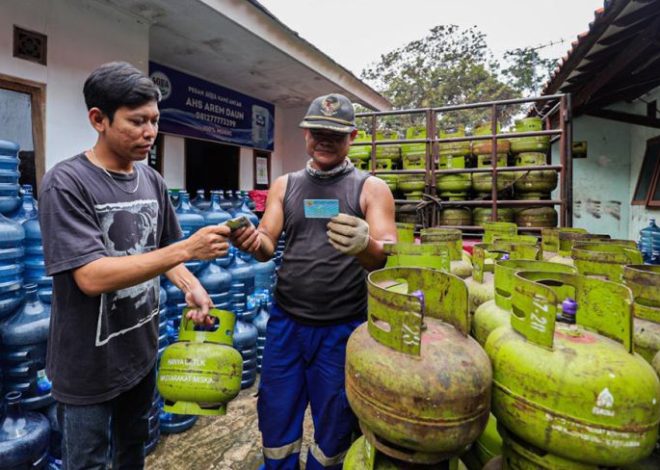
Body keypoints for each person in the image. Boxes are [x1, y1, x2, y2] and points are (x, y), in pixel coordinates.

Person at [39, 62, 231, 469]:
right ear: (98, 119)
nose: (149, 132)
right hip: (87, 368)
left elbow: (161, 248)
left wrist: (189, 284)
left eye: (155, 121)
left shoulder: (152, 181)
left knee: (133, 452)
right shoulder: (67, 183)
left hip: (140, 355)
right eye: (137, 121)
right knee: (89, 462)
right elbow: (90, 277)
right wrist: (186, 252)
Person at [231, 93, 397, 469]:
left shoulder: (371, 189)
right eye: (317, 132)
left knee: (336, 416)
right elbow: (267, 242)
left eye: (335, 134)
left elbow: (389, 252)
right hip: (286, 323)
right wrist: (252, 241)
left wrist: (365, 245)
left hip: (342, 327)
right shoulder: (285, 185)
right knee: (276, 408)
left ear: (352, 137)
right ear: (305, 134)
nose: (324, 140)